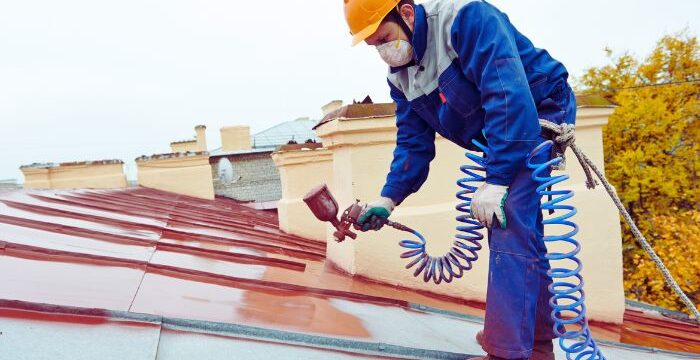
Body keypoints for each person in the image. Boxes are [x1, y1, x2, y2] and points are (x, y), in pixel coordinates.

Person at [345, 1, 577, 359]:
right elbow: (412, 143)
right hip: (501, 129)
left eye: (385, 38)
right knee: (523, 226)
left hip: (537, 107)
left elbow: (507, 94)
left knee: (507, 214)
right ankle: (537, 345)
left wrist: (498, 180)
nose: (384, 52)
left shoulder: (466, 19)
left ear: (407, 14)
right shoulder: (401, 76)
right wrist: (387, 199)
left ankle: (506, 351)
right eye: (374, 45)